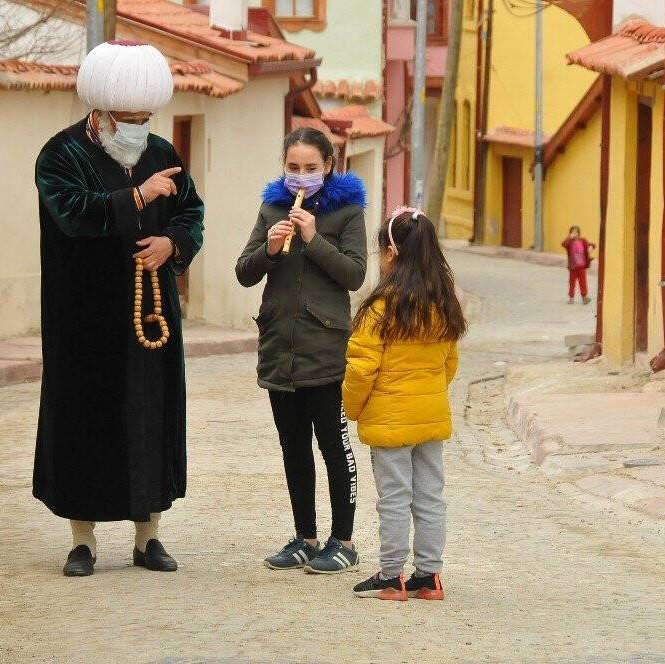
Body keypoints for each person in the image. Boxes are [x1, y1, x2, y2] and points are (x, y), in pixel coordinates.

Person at [33, 41, 204, 577]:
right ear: (100, 114)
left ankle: (148, 536)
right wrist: (137, 197)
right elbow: (73, 215)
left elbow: (191, 211)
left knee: (150, 414)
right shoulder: (60, 155)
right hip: (82, 315)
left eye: (144, 118)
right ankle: (81, 540)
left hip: (149, 315)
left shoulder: (160, 153)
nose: (137, 127)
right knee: (85, 419)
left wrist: (172, 246)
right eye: (127, 118)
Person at [235, 127, 368, 574]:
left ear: (328, 166)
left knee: (333, 444)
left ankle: (343, 540)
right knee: (293, 444)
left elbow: (353, 274)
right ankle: (305, 537)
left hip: (325, 345)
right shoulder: (272, 206)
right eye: (293, 168)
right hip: (279, 344)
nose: (301, 176)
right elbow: (245, 272)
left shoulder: (347, 211)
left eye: (311, 168)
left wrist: (313, 239)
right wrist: (271, 250)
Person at [344, 207, 466, 602]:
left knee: (394, 499)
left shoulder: (380, 308)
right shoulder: (443, 304)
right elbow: (449, 364)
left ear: (391, 253)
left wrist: (354, 409)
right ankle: (428, 577)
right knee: (430, 497)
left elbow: (362, 369)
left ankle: (390, 576)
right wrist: (427, 395)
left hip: (390, 421)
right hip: (430, 418)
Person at [562, 225, 595, 304]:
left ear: (579, 233)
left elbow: (591, 245)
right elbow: (564, 244)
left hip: (582, 266)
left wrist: (591, 247)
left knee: (583, 282)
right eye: (573, 232)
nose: (575, 233)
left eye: (576, 232)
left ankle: (584, 297)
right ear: (570, 233)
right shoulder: (569, 242)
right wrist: (569, 238)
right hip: (573, 266)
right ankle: (571, 297)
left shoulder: (583, 240)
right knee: (572, 282)